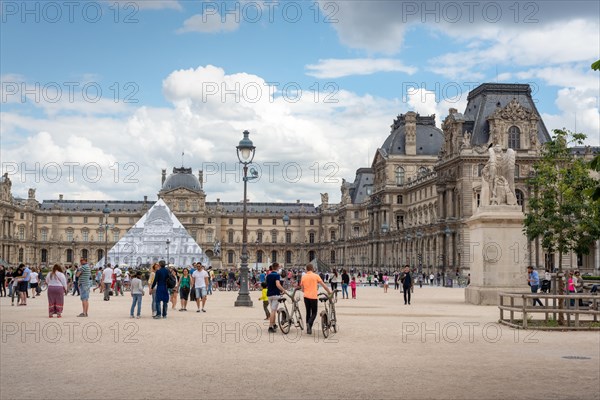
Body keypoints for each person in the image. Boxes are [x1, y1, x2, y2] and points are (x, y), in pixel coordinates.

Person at [300, 263, 332, 335]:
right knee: (314, 312)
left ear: (307, 269)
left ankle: (309, 329)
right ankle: (310, 323)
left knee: (308, 312)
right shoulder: (316, 276)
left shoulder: (303, 277)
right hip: (313, 297)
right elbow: (324, 285)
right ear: (312, 269)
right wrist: (329, 292)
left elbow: (302, 289)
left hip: (306, 296)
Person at [266, 263, 286, 333]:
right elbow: (277, 284)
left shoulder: (268, 275)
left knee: (272, 310)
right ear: (277, 267)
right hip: (275, 294)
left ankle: (274, 324)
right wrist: (283, 290)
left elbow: (267, 285)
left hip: (269, 294)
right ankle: (270, 326)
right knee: (273, 311)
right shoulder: (277, 275)